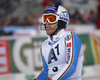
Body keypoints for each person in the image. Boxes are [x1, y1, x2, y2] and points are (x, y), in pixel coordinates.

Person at [33, 4, 83, 80]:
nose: (47, 23)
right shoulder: (44, 45)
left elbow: (71, 66)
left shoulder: (70, 36)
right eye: (45, 19)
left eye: (51, 19)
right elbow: (46, 72)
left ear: (61, 21)